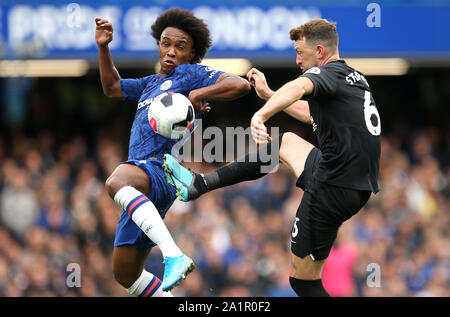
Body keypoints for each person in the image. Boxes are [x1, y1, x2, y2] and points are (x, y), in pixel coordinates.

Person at [163, 18, 381, 297]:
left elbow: (298, 87)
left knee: (304, 282)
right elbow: (311, 113)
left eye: (300, 53)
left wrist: (261, 114)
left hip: (332, 187)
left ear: (320, 52)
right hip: (349, 179)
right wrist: (267, 93)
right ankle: (200, 184)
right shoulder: (351, 77)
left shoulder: (326, 75)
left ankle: (199, 185)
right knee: (285, 143)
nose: (297, 60)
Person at [95, 8, 250, 296]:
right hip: (144, 181)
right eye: (166, 43)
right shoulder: (149, 84)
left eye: (180, 47)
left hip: (158, 169)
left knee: (116, 181)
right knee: (125, 275)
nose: (170, 52)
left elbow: (240, 84)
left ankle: (173, 255)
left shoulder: (190, 74)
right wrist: (104, 47)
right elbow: (112, 87)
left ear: (191, 54)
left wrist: (197, 95)